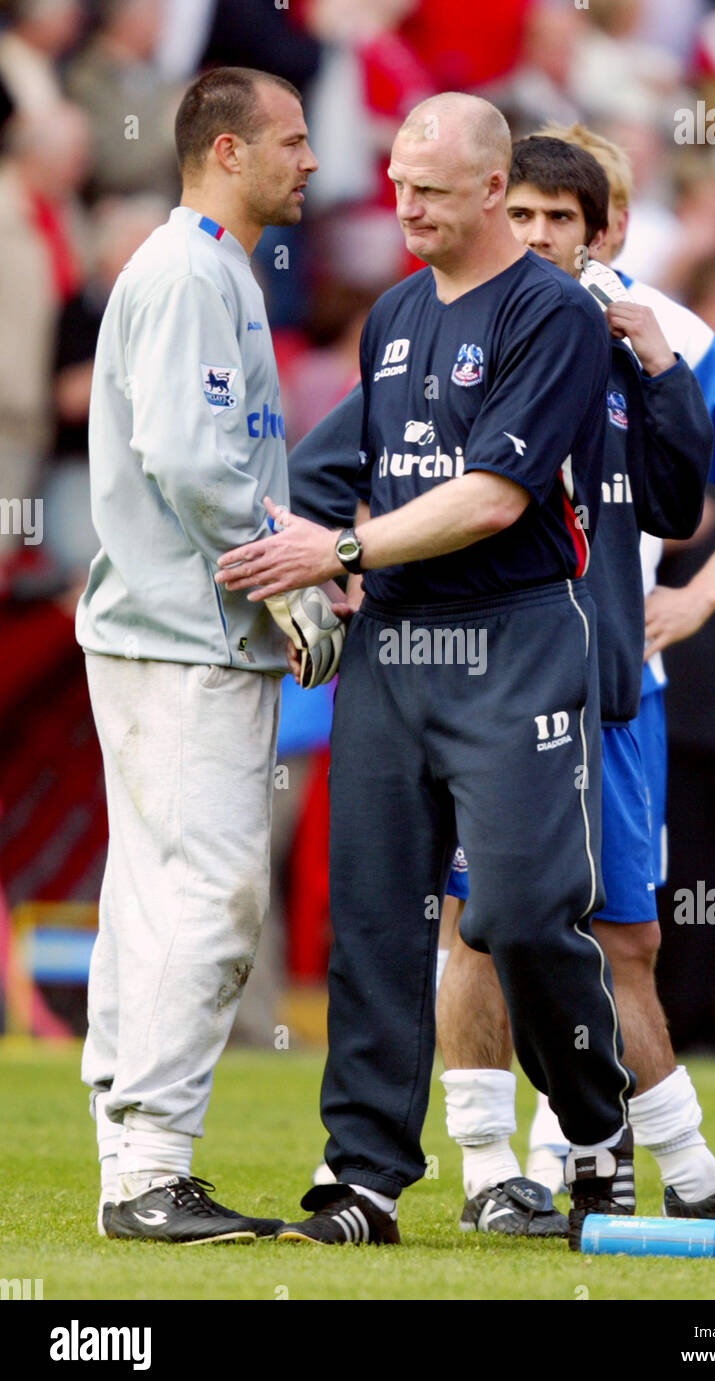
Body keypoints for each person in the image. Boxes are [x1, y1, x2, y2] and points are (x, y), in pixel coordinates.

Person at [217, 92, 635, 1247]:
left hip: (512, 638)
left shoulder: (549, 311)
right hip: (394, 651)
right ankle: (362, 1179)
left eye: (432, 189)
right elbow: (343, 458)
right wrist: (306, 566)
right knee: (373, 921)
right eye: (397, 183)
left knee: (518, 912)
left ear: (495, 189)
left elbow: (493, 497)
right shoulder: (395, 310)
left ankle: (594, 1134)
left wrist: (342, 545)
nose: (402, 204)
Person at [436, 122, 715, 1243]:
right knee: (476, 921)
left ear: (606, 223)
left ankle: (612, 1159)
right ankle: (486, 1164)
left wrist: (698, 603)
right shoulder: (447, 316)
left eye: (571, 213)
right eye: (525, 211)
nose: (547, 231)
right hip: (495, 677)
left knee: (625, 938)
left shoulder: (661, 330)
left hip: (622, 676)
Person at [76, 66, 319, 1244]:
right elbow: (187, 456)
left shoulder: (210, 266)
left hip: (167, 626)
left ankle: (131, 1157)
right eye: (290, 139)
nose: (310, 159)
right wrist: (290, 579)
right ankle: (150, 1171)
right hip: (186, 634)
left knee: (150, 895)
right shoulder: (186, 270)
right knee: (211, 892)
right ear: (225, 152)